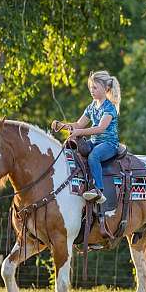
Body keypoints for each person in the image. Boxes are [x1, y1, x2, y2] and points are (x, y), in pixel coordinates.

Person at [52, 70, 121, 204]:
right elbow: (78, 124)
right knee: (73, 150)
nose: (92, 90)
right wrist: (62, 125)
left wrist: (79, 133)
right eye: (91, 88)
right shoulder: (91, 107)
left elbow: (101, 128)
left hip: (109, 144)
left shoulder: (109, 108)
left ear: (106, 88)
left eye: (95, 87)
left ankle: (98, 189)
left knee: (94, 156)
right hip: (95, 142)